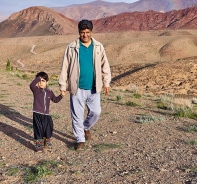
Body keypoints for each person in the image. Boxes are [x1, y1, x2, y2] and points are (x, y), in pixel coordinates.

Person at [59, 19, 111, 150]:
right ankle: (80, 140)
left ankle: (86, 127)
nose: (85, 35)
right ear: (79, 32)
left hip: (94, 87)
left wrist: (106, 82)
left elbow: (105, 65)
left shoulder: (98, 46)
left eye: (87, 32)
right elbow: (65, 66)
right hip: (77, 88)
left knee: (96, 112)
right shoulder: (71, 47)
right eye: (82, 32)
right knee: (76, 115)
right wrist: (62, 85)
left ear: (91, 32)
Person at [30, 71, 66, 152]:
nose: (41, 83)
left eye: (43, 81)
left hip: (46, 114)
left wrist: (61, 95)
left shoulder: (49, 91)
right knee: (38, 129)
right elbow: (31, 84)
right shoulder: (36, 90)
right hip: (37, 114)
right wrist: (38, 77)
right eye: (39, 81)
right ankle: (39, 146)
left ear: (47, 82)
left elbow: (55, 100)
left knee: (48, 128)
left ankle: (46, 141)